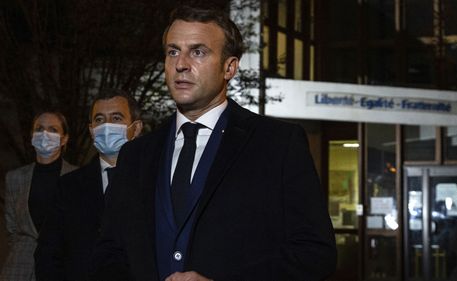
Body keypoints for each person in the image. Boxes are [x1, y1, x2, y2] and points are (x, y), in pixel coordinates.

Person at [91, 5, 337, 281]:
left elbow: (315, 252)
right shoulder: (136, 154)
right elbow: (109, 252)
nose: (181, 64)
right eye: (173, 51)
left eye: (198, 52)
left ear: (229, 67)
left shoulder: (277, 144)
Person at [34, 89, 143, 281]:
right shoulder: (68, 186)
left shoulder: (155, 182)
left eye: (116, 118)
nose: (107, 126)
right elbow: (47, 254)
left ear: (136, 128)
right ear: (92, 130)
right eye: (99, 120)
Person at [1, 110, 78, 281]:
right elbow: (12, 228)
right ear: (31, 135)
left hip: (61, 267)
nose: (45, 134)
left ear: (64, 138)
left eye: (53, 129)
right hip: (18, 268)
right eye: (39, 128)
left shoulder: (78, 177)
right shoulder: (14, 178)